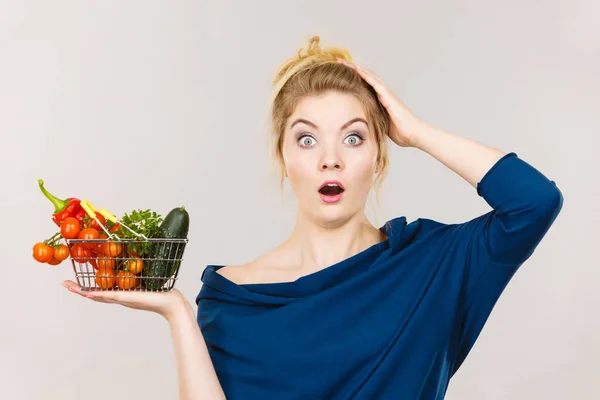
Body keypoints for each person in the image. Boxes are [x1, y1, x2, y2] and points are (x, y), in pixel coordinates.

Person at [63, 35, 564, 399]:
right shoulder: (231, 297)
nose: (330, 158)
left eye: (353, 137)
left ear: (379, 155)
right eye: (307, 138)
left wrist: (415, 131)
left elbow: (534, 202)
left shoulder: (434, 263)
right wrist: (176, 313)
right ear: (284, 158)